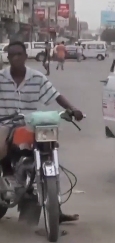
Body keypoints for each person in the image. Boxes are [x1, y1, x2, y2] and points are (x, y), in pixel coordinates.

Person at [0, 41, 84, 225]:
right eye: (12, 54)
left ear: (25, 55)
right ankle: (7, 175)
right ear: (8, 57)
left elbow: (55, 95)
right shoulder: (1, 77)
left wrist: (72, 109)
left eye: (19, 54)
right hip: (5, 122)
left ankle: (56, 208)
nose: (16, 58)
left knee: (49, 151)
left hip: (30, 124)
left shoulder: (37, 77)